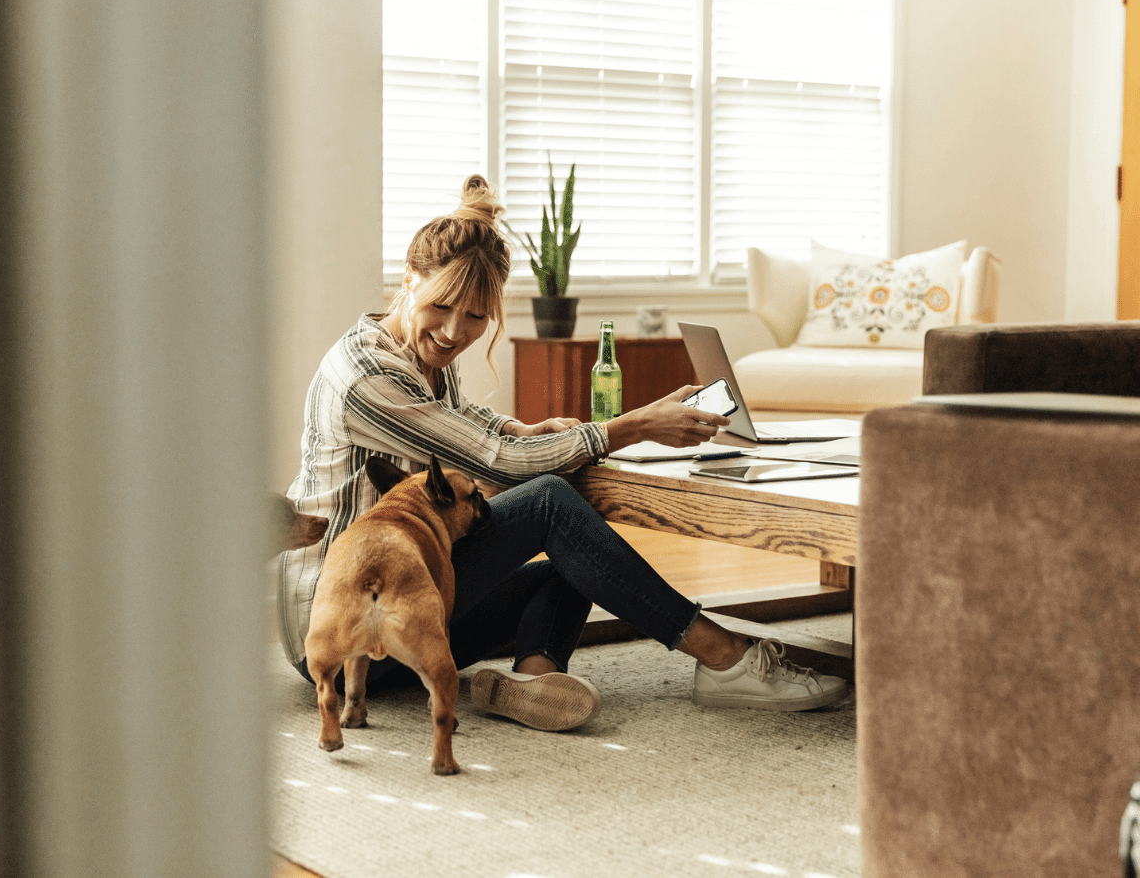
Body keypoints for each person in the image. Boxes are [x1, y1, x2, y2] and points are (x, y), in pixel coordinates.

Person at [277, 175, 848, 731]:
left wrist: (535, 429)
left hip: (409, 606)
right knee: (550, 501)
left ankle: (534, 677)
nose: (455, 331)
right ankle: (724, 656)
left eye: (476, 316)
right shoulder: (366, 373)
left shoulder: (421, 359)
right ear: (408, 280)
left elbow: (479, 427)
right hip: (340, 629)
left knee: (579, 553)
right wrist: (634, 425)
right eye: (442, 306)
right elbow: (491, 461)